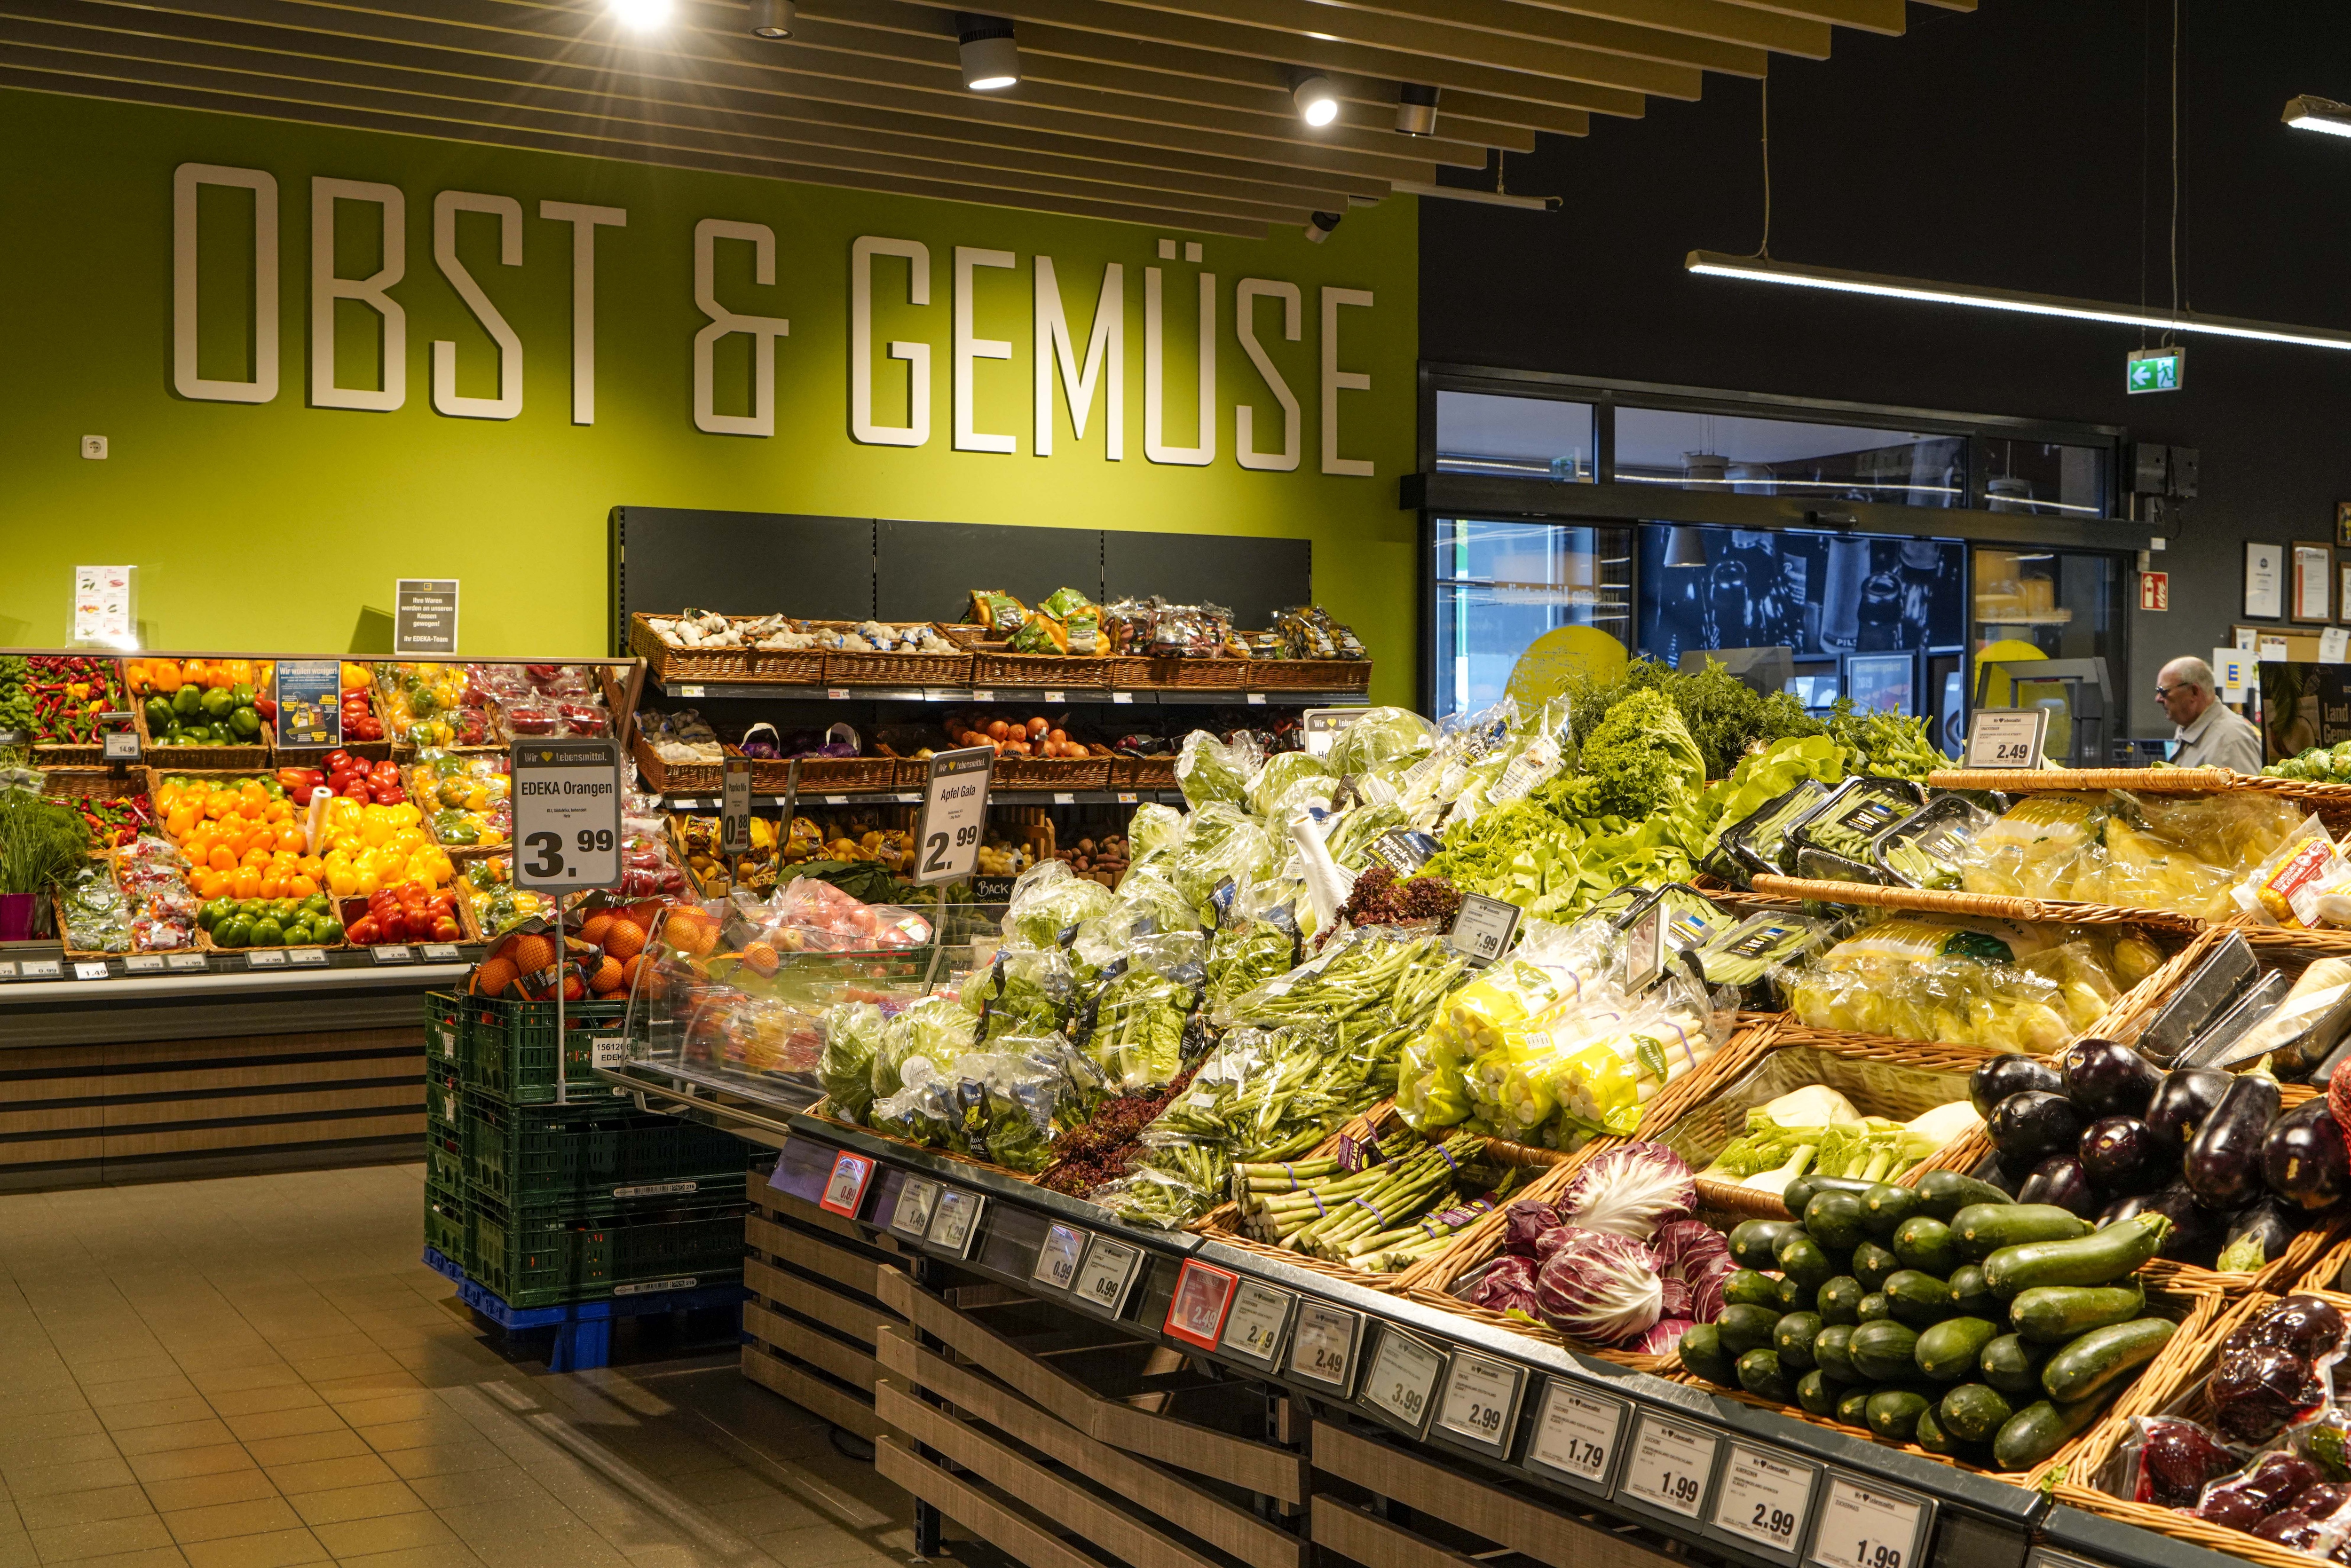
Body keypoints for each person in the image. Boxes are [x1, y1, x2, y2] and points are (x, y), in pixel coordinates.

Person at [2157, 656, 2265, 773]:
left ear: (2194, 692)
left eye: (2164, 692)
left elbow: (2248, 791)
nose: (2158, 699)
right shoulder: (2189, 727)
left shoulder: (2232, 739)